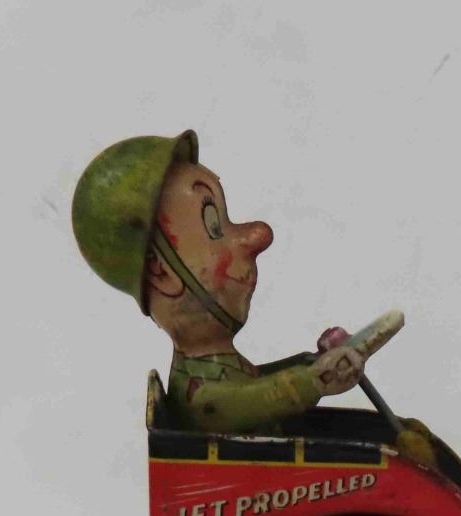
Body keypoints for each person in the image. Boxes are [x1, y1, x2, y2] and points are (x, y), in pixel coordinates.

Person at [72, 130, 363, 434]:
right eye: (214, 225)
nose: (259, 236)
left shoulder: (220, 368)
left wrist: (310, 362)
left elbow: (255, 383)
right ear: (160, 272)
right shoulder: (199, 392)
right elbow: (243, 402)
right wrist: (315, 380)